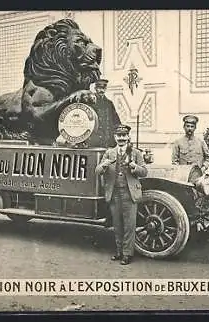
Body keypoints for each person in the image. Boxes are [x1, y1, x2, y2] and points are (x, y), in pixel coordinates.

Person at [95, 124, 148, 265]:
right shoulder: (109, 153)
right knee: (117, 225)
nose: (121, 138)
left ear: (128, 137)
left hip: (129, 193)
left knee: (129, 225)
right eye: (119, 135)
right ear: (115, 137)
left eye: (124, 135)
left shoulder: (135, 153)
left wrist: (133, 166)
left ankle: (127, 254)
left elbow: (144, 172)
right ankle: (119, 251)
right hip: (114, 193)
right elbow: (97, 170)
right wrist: (105, 164)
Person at [88, 79, 121, 148]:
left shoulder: (109, 103)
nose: (101, 90)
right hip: (94, 139)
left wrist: (120, 131)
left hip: (107, 139)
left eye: (103, 88)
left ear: (105, 89)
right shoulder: (90, 102)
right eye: (99, 88)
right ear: (95, 89)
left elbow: (116, 120)